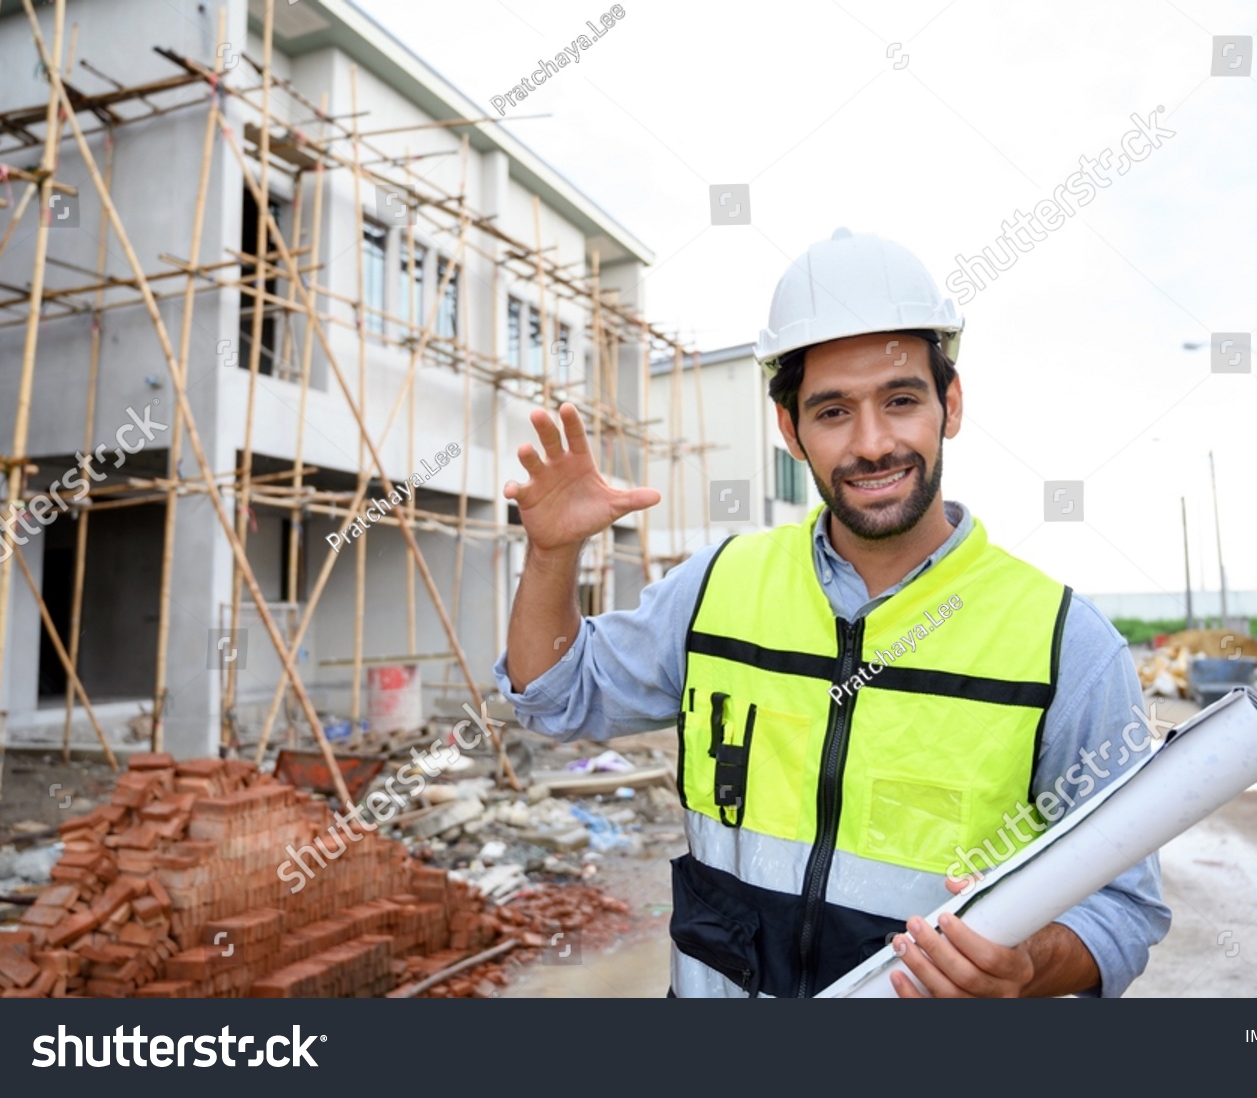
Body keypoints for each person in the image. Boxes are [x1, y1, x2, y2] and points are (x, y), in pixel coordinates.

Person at [495, 228, 1171, 998]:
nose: (873, 443)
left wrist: (1025, 967)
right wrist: (551, 557)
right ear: (791, 431)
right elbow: (553, 696)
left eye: (901, 400)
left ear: (950, 404)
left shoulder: (1065, 645)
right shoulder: (719, 585)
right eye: (833, 412)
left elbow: (1121, 908)